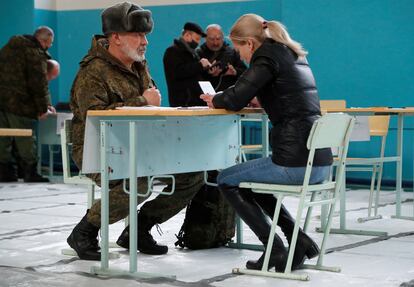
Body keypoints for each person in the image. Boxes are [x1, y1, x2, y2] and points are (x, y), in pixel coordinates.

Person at [67, 2, 204, 261]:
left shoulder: (139, 65)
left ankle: (138, 230)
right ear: (115, 37)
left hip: (140, 145)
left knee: (193, 173)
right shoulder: (93, 71)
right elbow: (94, 116)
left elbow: (150, 102)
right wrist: (143, 101)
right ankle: (84, 231)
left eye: (145, 36)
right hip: (98, 150)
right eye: (138, 35)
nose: (145, 42)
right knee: (138, 184)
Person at [200, 14, 333, 271]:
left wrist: (214, 99)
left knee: (226, 179)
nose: (239, 56)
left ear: (250, 43)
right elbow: (286, 93)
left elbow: (235, 97)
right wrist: (262, 99)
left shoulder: (266, 56)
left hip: (294, 163)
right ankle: (299, 240)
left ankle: (274, 248)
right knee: (251, 183)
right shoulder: (292, 53)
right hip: (319, 162)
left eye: (239, 48)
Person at [0, 26, 56, 183]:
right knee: (25, 137)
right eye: (49, 43)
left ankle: (5, 172)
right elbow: (38, 83)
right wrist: (43, 107)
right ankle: (29, 173)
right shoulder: (34, 53)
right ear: (43, 40)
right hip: (20, 103)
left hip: (1, 101)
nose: (49, 46)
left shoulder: (7, 48)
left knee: (2, 138)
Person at [163, 22, 213, 107]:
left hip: (195, 102)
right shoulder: (172, 51)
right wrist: (200, 65)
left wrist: (207, 70)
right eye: (197, 39)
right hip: (183, 103)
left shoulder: (193, 53)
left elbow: (194, 74)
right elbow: (178, 72)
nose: (198, 42)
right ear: (187, 35)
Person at [197, 24, 247, 91]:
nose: (215, 43)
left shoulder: (233, 52)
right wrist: (209, 75)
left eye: (218, 38)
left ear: (223, 38)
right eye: (212, 39)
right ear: (205, 38)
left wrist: (235, 72)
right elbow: (192, 78)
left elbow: (245, 72)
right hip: (204, 96)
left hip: (228, 95)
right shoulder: (198, 53)